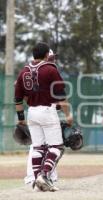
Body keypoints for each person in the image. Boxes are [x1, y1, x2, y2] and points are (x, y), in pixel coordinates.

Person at [14, 42, 73, 191]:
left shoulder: (24, 71)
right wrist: (68, 114)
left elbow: (18, 99)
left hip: (32, 113)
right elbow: (61, 95)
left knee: (38, 148)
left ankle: (38, 182)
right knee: (56, 147)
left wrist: (21, 118)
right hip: (47, 112)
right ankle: (44, 175)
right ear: (47, 55)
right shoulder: (50, 70)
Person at [24, 49, 58, 187]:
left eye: (53, 58)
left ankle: (48, 176)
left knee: (47, 146)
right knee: (42, 146)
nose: (53, 60)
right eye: (51, 57)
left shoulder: (45, 72)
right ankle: (32, 177)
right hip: (43, 111)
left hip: (43, 110)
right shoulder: (39, 72)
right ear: (44, 57)